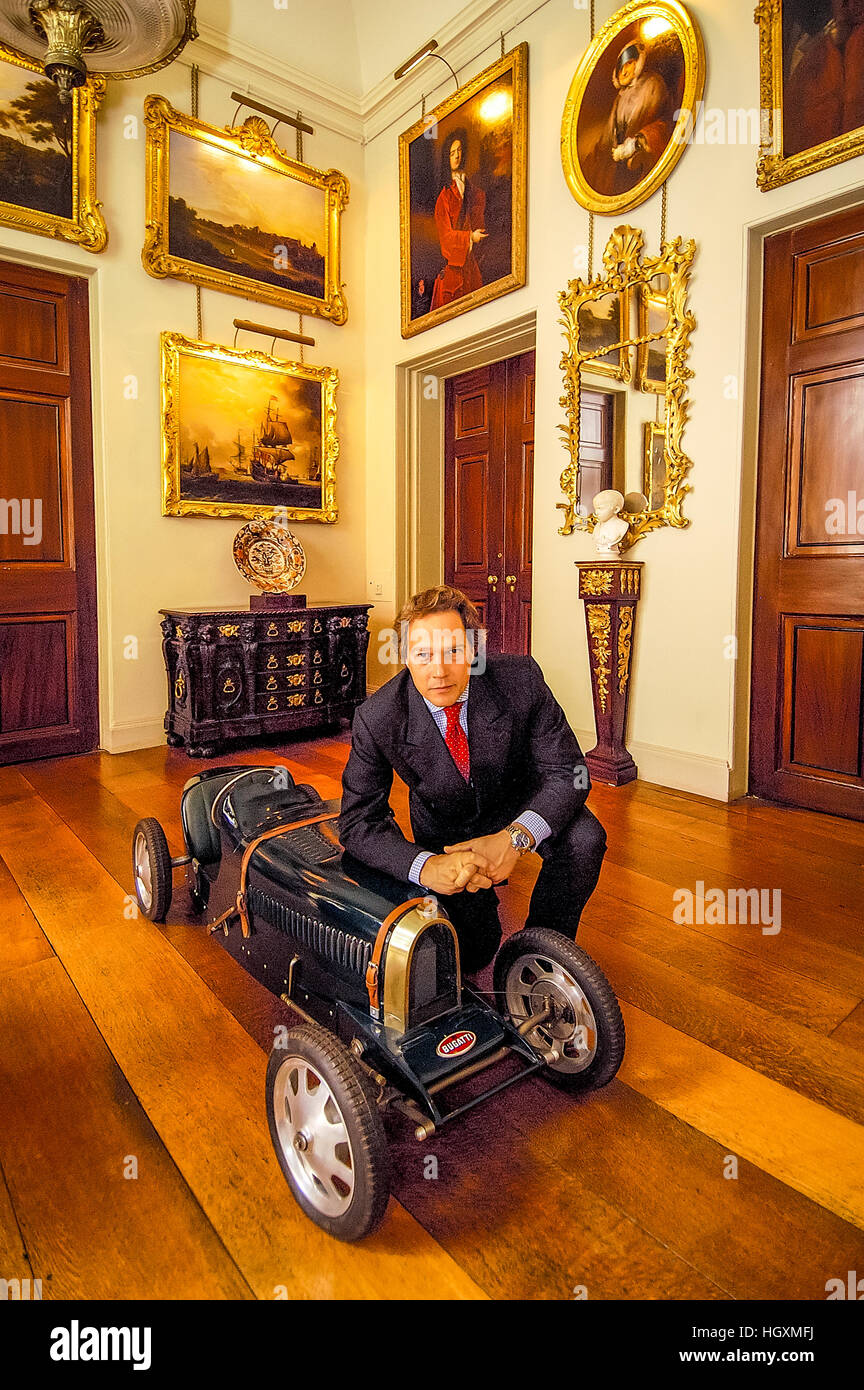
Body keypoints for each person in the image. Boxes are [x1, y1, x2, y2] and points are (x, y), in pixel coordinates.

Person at [337, 585, 607, 975]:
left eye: (453, 651)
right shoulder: (377, 717)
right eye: (423, 654)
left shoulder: (521, 679)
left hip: (519, 803)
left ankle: (541, 955)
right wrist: (425, 866)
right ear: (404, 657)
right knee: (474, 952)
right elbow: (358, 822)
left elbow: (570, 773)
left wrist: (515, 839)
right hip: (448, 834)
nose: (439, 670)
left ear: (473, 651)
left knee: (585, 838)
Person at [587, 40, 676, 196]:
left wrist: (635, 144)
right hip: (620, 167)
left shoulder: (653, 84)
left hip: (641, 163)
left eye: (629, 63)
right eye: (621, 67)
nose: (624, 71)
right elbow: (607, 138)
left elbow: (664, 122)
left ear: (638, 62)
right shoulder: (620, 97)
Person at [429, 130, 488, 311]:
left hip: (472, 270)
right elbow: (445, 236)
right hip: (453, 273)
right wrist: (470, 237)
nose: (457, 156)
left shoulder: (475, 191)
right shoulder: (444, 197)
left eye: (460, 151)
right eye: (452, 153)